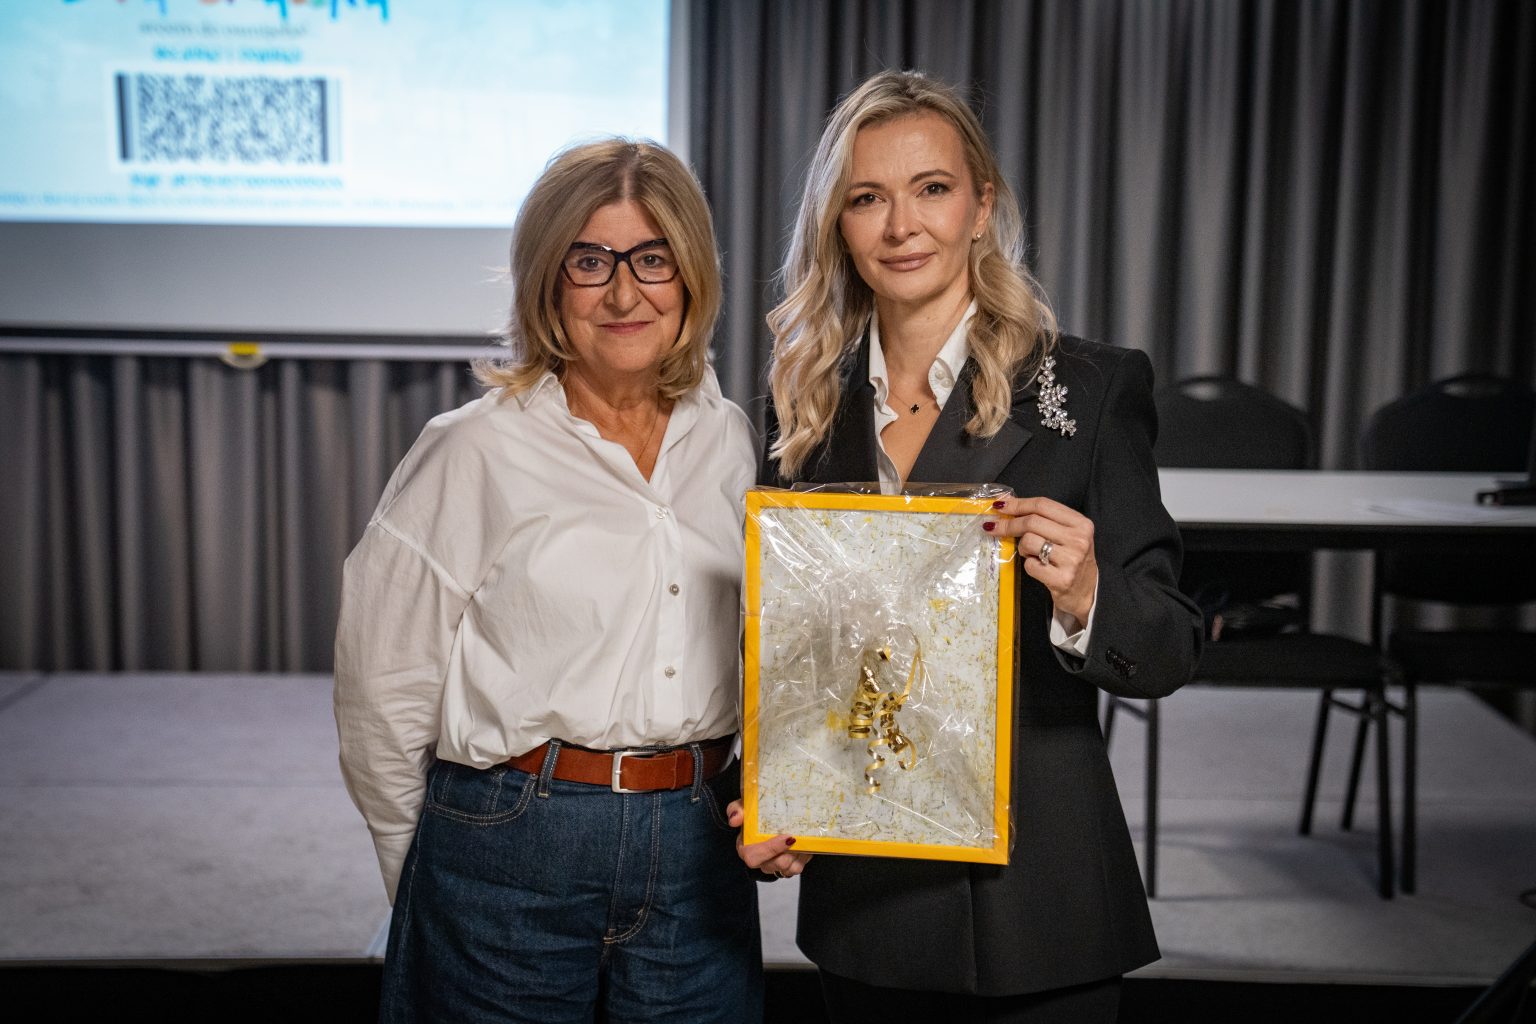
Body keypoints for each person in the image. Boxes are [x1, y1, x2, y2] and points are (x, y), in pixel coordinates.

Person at [731, 70, 1202, 1022]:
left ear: (982, 206)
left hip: (1037, 902)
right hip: (866, 896)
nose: (902, 226)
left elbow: (1169, 644)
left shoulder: (1092, 388)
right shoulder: (804, 405)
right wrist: (773, 791)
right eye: (868, 198)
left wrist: (1086, 594)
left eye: (932, 189)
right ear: (838, 225)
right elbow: (799, 659)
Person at [335, 138, 762, 1024]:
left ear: (691, 276)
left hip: (696, 851)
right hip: (509, 846)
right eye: (589, 262)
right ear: (546, 281)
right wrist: (424, 878)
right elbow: (383, 688)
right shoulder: (474, 448)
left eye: (653, 259)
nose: (624, 294)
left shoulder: (728, 438)